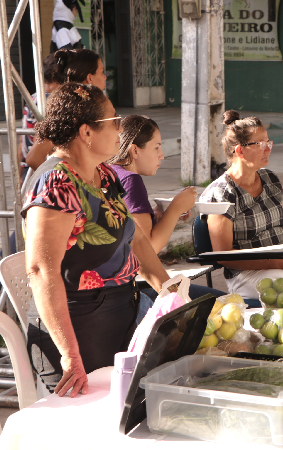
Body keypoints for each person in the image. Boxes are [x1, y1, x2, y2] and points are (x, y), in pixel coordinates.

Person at [23, 82, 171, 396]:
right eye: (114, 121)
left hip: (118, 313)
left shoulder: (104, 174)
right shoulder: (57, 181)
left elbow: (134, 239)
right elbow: (41, 271)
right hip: (79, 327)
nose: (121, 128)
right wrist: (70, 355)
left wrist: (169, 291)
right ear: (87, 133)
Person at [107, 115, 226, 305]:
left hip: (119, 287)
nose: (161, 155)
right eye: (156, 147)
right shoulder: (131, 180)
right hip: (140, 287)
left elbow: (132, 231)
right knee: (224, 302)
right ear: (135, 150)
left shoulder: (111, 172)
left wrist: (159, 215)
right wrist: (176, 207)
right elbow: (149, 247)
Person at [199, 111, 283, 299]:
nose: (268, 148)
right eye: (261, 144)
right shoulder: (221, 193)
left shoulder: (269, 178)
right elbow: (224, 255)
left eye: (268, 142)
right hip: (247, 276)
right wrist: (280, 263)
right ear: (239, 150)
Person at [26, 49, 106, 171]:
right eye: (101, 72)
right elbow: (34, 158)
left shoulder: (91, 108)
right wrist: (69, 182)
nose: (105, 77)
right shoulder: (67, 111)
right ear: (90, 78)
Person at [21, 54, 61, 180]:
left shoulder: (32, 99)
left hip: (30, 169)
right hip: (45, 168)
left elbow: (23, 139)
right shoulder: (57, 103)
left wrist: (21, 174)